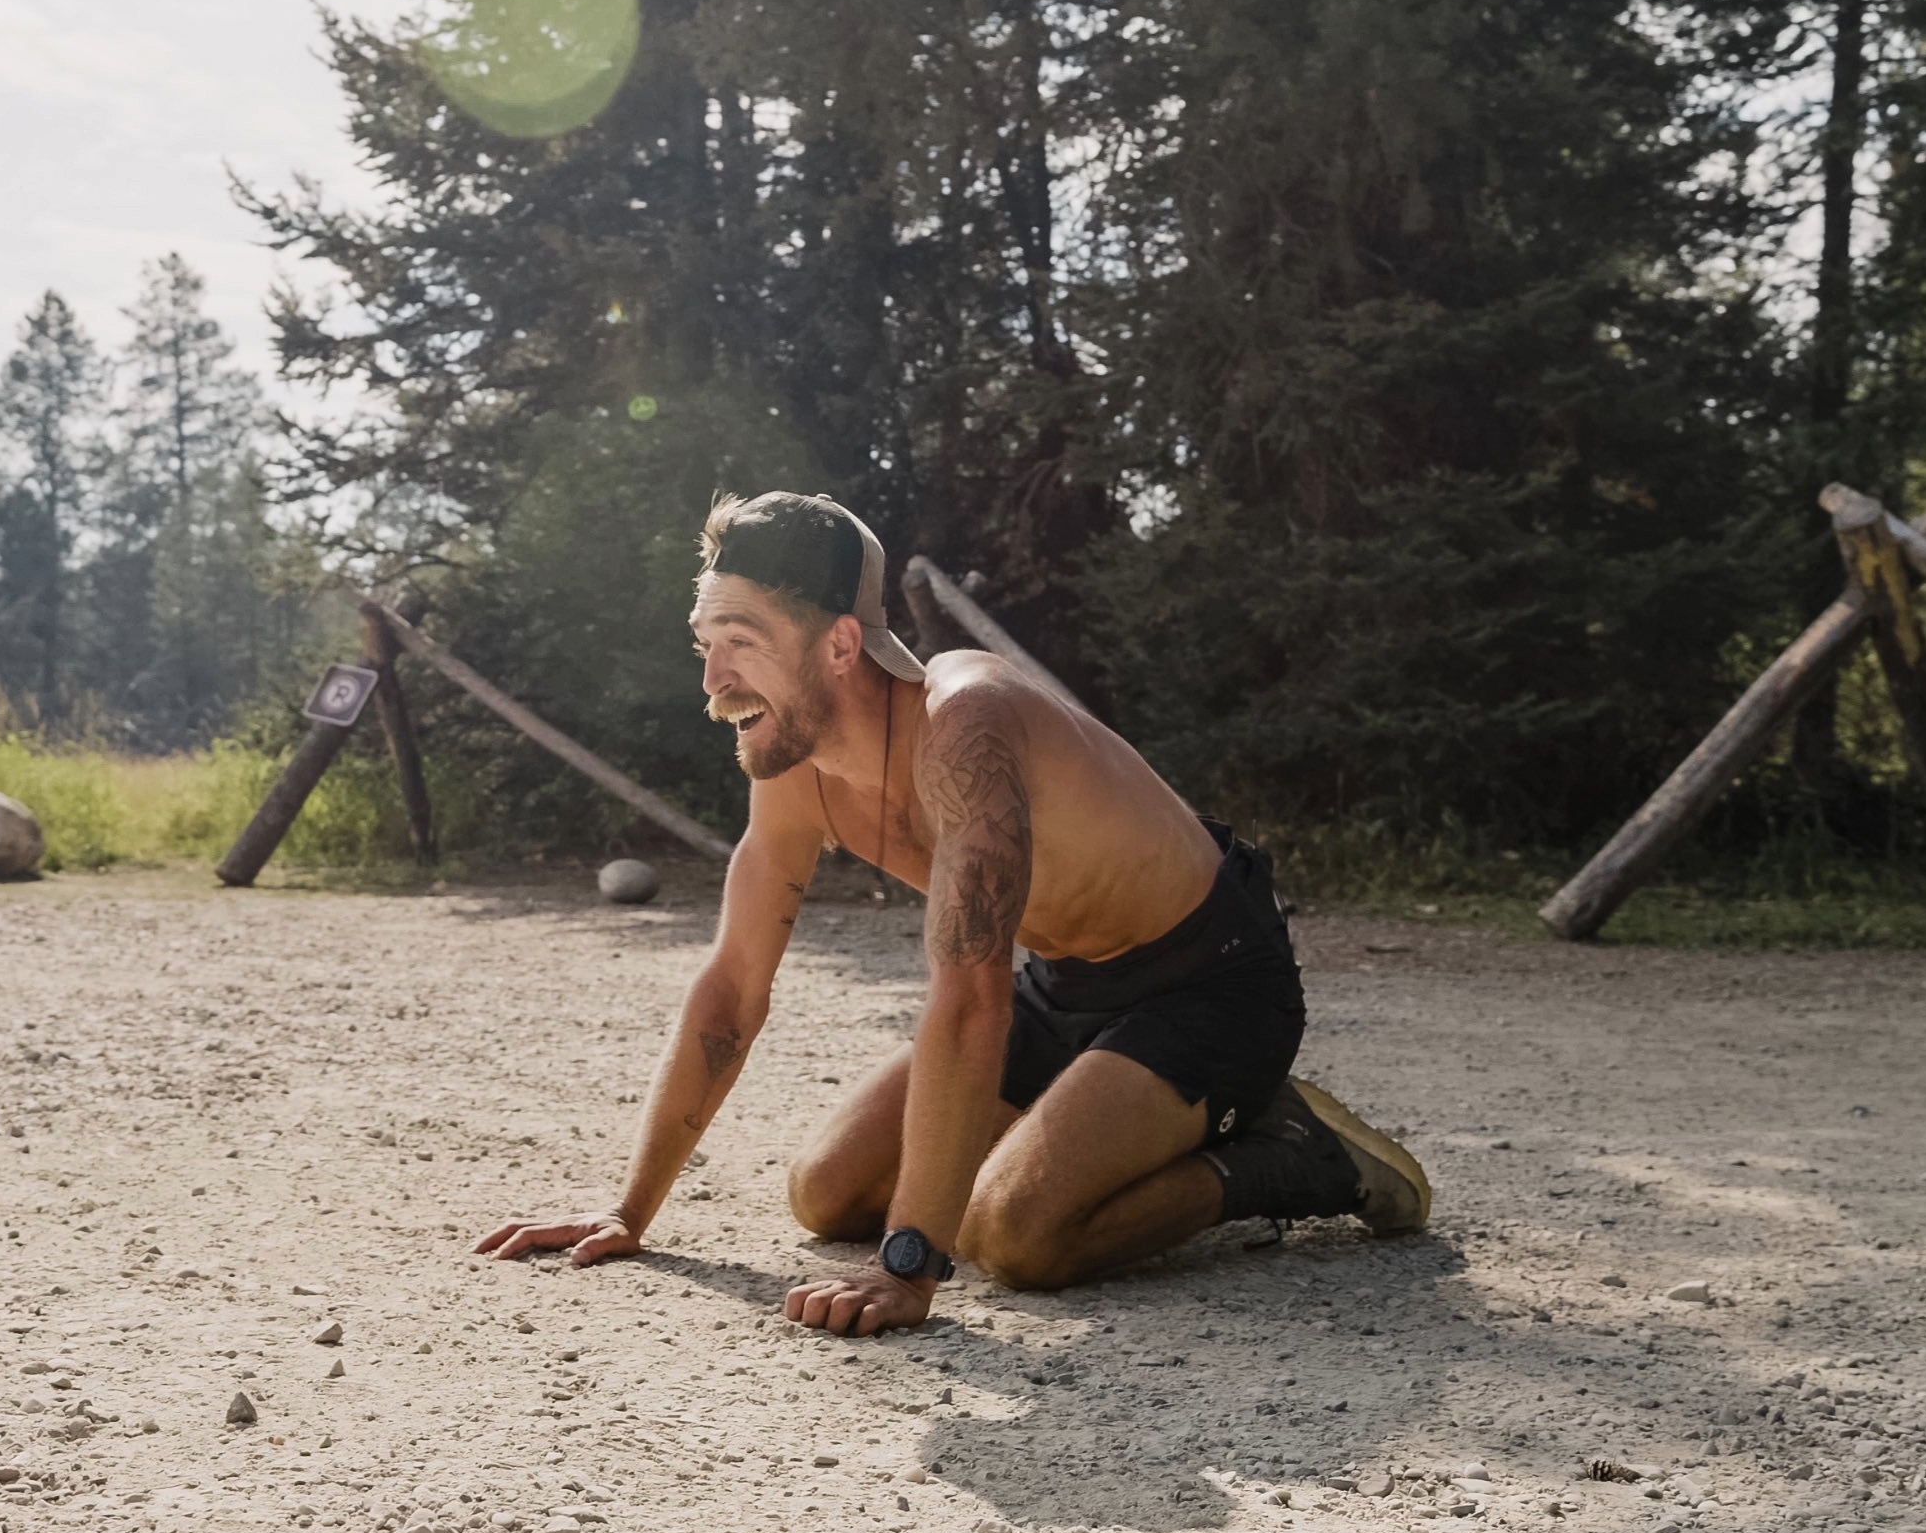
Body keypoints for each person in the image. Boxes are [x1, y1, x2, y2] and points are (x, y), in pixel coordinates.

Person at [478, 491, 1429, 1335]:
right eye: (705, 642)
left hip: (1212, 977)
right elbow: (732, 987)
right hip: (1068, 987)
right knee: (829, 1193)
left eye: (742, 641)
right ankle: (1124, 1122)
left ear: (840, 645)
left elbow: (970, 1001)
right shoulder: (795, 770)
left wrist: (910, 1265)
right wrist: (630, 1211)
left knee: (1014, 1234)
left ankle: (1297, 1154)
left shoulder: (966, 723)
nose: (711, 681)